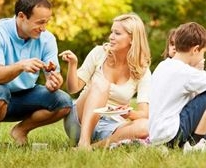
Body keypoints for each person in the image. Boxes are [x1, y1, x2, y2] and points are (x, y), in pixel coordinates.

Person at [60, 13, 151, 150]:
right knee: (101, 83)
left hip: (110, 127)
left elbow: (144, 113)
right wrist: (73, 65)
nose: (111, 37)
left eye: (117, 33)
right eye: (111, 32)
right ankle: (83, 142)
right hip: (79, 121)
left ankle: (96, 146)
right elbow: (73, 89)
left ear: (132, 39)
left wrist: (128, 113)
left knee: (146, 125)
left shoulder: (142, 70)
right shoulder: (99, 53)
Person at [0, 0, 72, 145]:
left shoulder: (47, 39)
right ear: (21, 17)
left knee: (63, 102)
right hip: (1, 94)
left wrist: (54, 82)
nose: (44, 28)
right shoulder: (1, 32)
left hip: (25, 95)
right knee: (1, 91)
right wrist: (21, 65)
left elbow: (54, 75)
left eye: (46, 22)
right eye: (39, 22)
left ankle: (21, 130)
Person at [149, 22, 206, 149]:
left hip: (157, 136)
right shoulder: (186, 72)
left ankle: (195, 140)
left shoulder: (163, 66)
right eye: (203, 52)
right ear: (195, 50)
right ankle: (195, 144)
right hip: (172, 134)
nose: (202, 57)